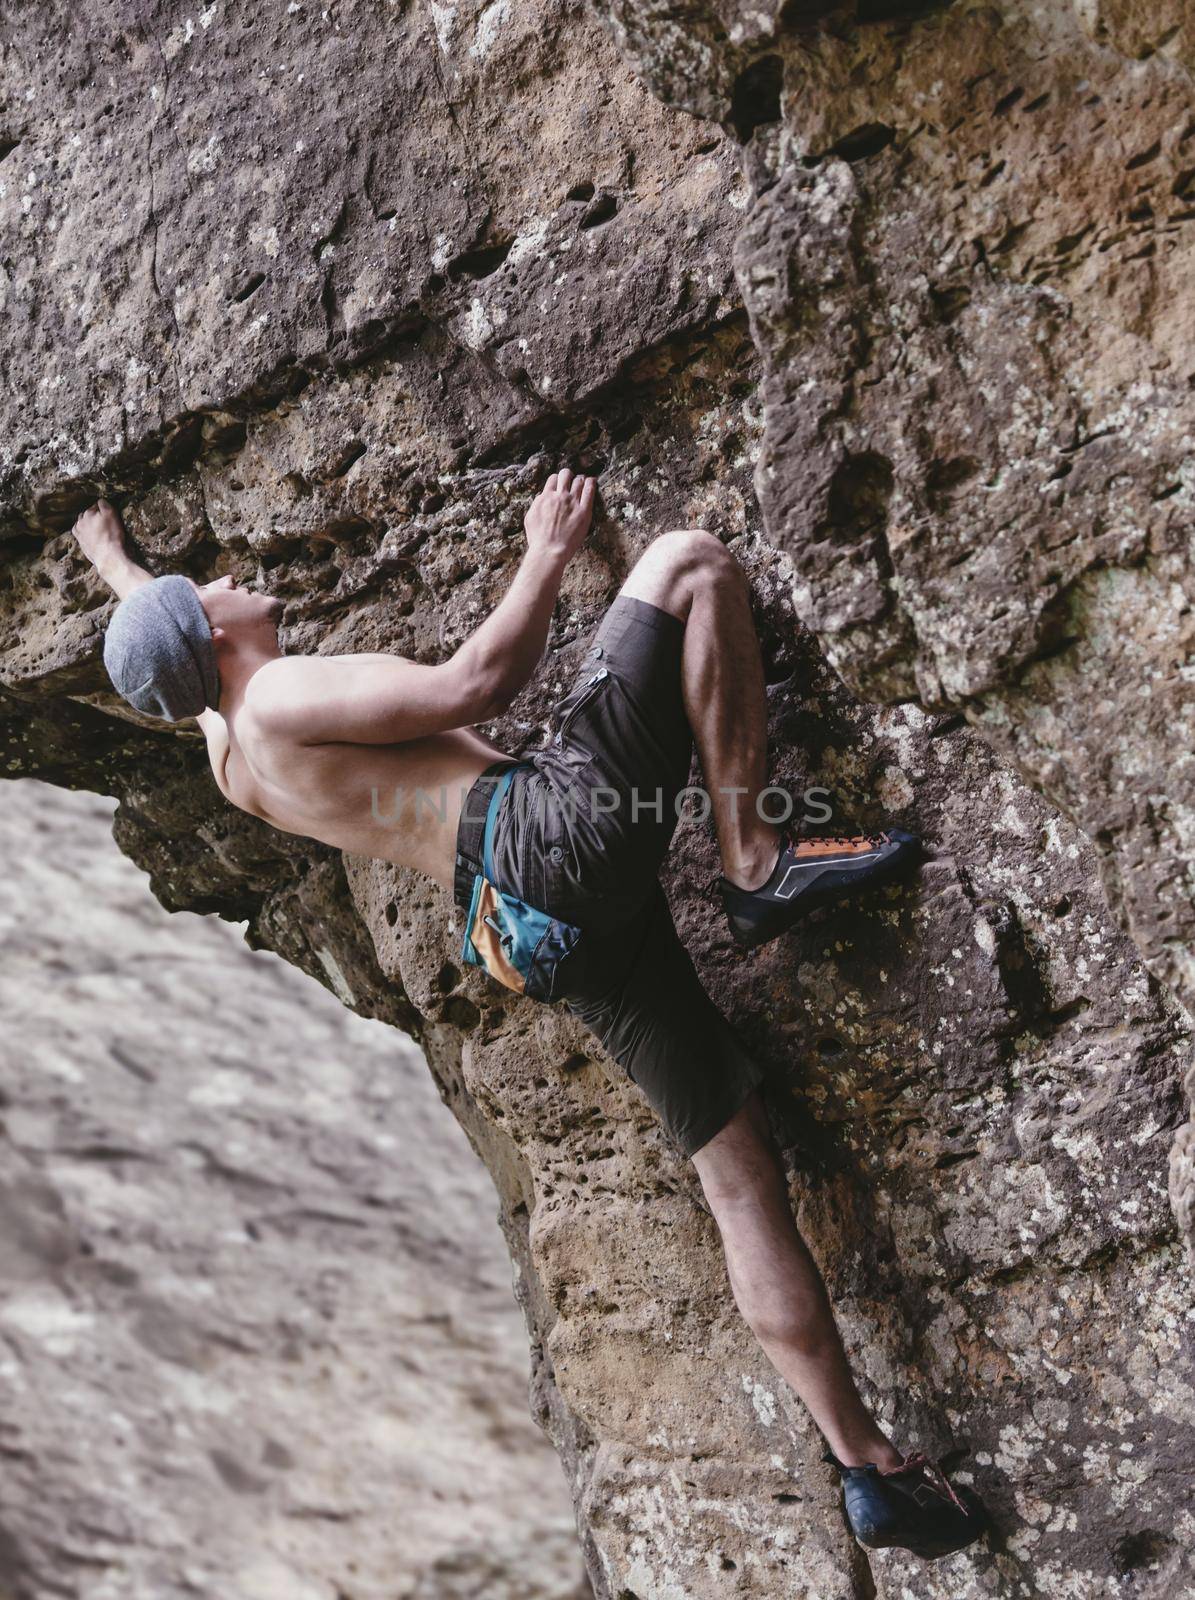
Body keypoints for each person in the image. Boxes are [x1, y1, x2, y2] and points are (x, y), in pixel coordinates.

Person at [71, 472, 986, 1560]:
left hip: (529, 928)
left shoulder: (232, 756)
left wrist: (116, 566)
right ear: (212, 634)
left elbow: (166, 659)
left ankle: (864, 1464)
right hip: (545, 833)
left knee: (734, 1172)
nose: (224, 577)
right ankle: (756, 861)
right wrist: (544, 551)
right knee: (688, 563)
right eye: (203, 586)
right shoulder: (275, 695)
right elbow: (476, 680)